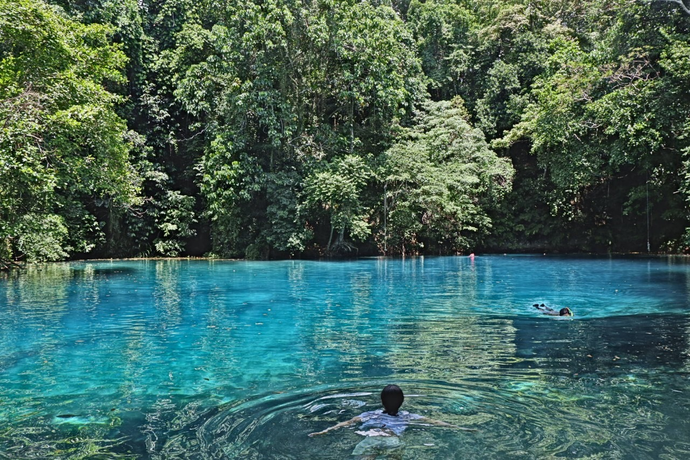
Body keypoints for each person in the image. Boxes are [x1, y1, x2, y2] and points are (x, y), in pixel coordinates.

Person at [309, 385, 474, 457]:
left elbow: (346, 423)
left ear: (381, 401)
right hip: (393, 439)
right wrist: (460, 427)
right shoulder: (408, 416)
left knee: (367, 457)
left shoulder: (369, 414)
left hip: (372, 436)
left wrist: (325, 431)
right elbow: (435, 422)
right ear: (402, 401)